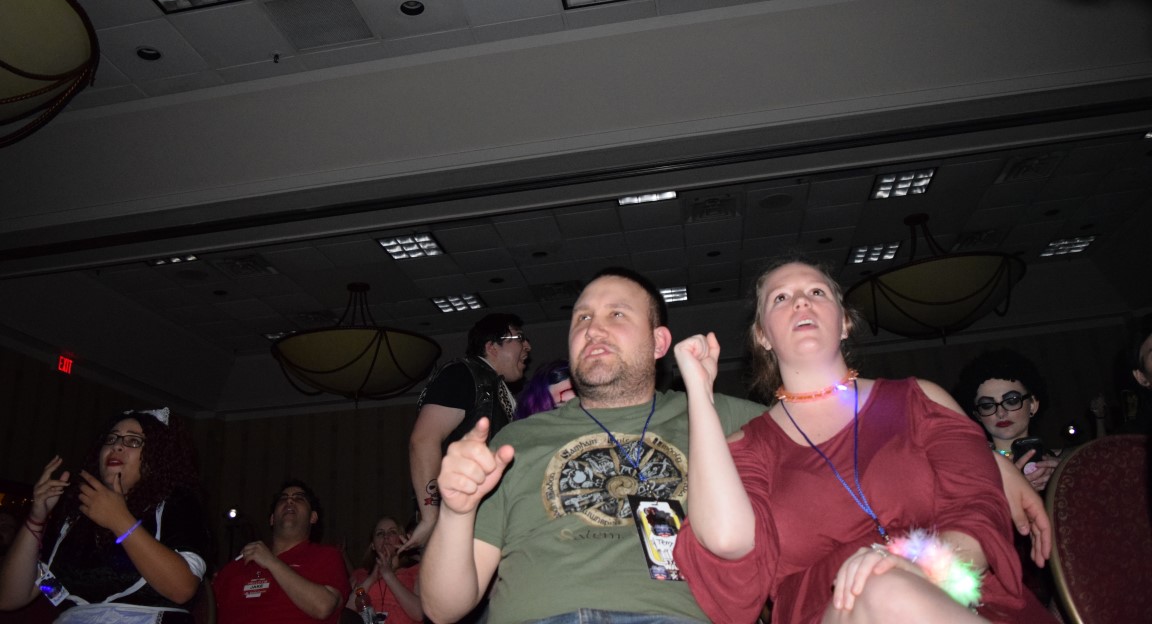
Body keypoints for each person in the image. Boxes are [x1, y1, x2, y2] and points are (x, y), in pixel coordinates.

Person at [420, 267, 1050, 624]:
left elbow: (833, 426)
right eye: (582, 316)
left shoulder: (727, 422)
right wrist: (455, 508)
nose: (594, 328)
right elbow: (444, 609)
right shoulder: (515, 440)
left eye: (617, 314)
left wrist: (996, 464)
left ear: (660, 343)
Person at [672, 260, 1053, 624]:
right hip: (826, 610)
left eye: (817, 292)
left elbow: (978, 509)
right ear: (762, 336)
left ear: (845, 323)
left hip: (959, 596)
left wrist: (918, 567)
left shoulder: (920, 400)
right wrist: (700, 394)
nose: (801, 302)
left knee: (886, 586)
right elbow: (726, 540)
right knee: (881, 587)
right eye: (781, 298)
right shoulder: (750, 447)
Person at [0, 408, 209, 623]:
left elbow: (181, 589)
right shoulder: (76, 516)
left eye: (133, 441)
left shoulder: (175, 503)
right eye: (111, 438)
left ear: (157, 456)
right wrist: (37, 518)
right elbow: (10, 598)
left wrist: (119, 521)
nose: (117, 446)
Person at [405, 313, 531, 550]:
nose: (527, 346)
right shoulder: (462, 375)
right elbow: (423, 440)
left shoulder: (502, 392)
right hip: (464, 524)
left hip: (495, 527)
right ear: (492, 347)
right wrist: (430, 515)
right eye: (519, 338)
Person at [213, 480, 349, 624]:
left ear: (313, 517)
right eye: (283, 499)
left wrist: (270, 561)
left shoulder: (326, 556)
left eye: (299, 498)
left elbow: (323, 607)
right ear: (272, 519)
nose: (289, 501)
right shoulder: (237, 566)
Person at [954, 349, 1060, 492]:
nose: (1001, 413)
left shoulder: (1067, 463)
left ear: (1033, 404)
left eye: (1012, 401)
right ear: (978, 415)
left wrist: (1064, 477)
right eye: (987, 405)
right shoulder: (967, 472)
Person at [345, 516, 421, 624]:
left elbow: (419, 614)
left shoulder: (415, 571)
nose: (386, 537)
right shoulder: (360, 574)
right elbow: (347, 610)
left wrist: (388, 575)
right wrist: (371, 578)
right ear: (373, 545)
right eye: (380, 533)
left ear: (401, 541)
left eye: (392, 532)